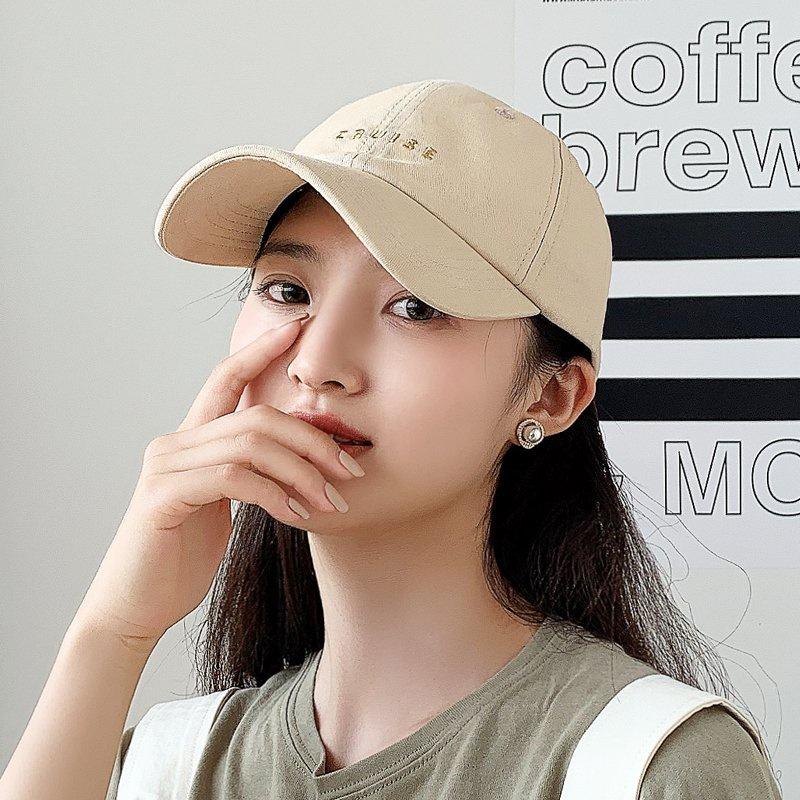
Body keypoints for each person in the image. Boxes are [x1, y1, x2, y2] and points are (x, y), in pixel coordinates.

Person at [0, 80, 782, 800]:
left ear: (551, 394)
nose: (316, 363)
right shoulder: (165, 765)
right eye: (288, 290)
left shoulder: (654, 767)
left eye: (417, 307)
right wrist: (113, 634)